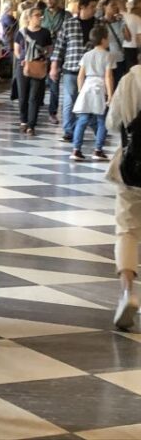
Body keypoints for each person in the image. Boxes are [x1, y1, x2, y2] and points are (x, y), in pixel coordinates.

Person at [106, 59, 141, 329]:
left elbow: (112, 121)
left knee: (126, 229)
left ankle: (128, 291)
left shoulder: (132, 78)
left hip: (134, 166)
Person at [50, 0, 98, 143]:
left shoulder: (99, 25)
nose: (94, 10)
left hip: (92, 70)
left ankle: (97, 129)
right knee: (70, 100)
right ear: (82, 7)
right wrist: (54, 66)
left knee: (91, 100)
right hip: (71, 67)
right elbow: (59, 46)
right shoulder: (69, 23)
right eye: (92, 7)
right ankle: (69, 131)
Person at [71, 25, 114, 162]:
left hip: (87, 87)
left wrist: (80, 90)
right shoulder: (108, 56)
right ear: (103, 39)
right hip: (100, 87)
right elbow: (108, 77)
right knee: (102, 121)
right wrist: (110, 94)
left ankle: (76, 150)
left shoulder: (87, 55)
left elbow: (80, 76)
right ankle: (98, 150)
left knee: (82, 120)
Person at [15, 7, 52, 136]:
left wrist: (44, 57)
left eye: (41, 15)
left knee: (34, 97)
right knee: (23, 95)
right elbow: (17, 49)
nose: (40, 18)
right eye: (37, 15)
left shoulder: (45, 33)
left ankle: (31, 124)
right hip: (23, 67)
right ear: (29, 18)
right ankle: (23, 120)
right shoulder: (21, 32)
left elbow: (49, 48)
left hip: (38, 66)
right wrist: (22, 59)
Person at [42, 0, 71, 125]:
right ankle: (36, 107)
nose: (49, 1)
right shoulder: (42, 13)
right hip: (42, 51)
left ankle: (52, 112)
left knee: (54, 82)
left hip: (58, 52)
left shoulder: (66, 15)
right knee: (39, 81)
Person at [102, 0, 130, 86]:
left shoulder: (120, 22)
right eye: (112, 5)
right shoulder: (100, 22)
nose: (115, 7)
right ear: (105, 7)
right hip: (106, 60)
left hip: (119, 59)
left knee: (117, 86)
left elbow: (128, 38)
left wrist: (124, 21)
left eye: (117, 5)